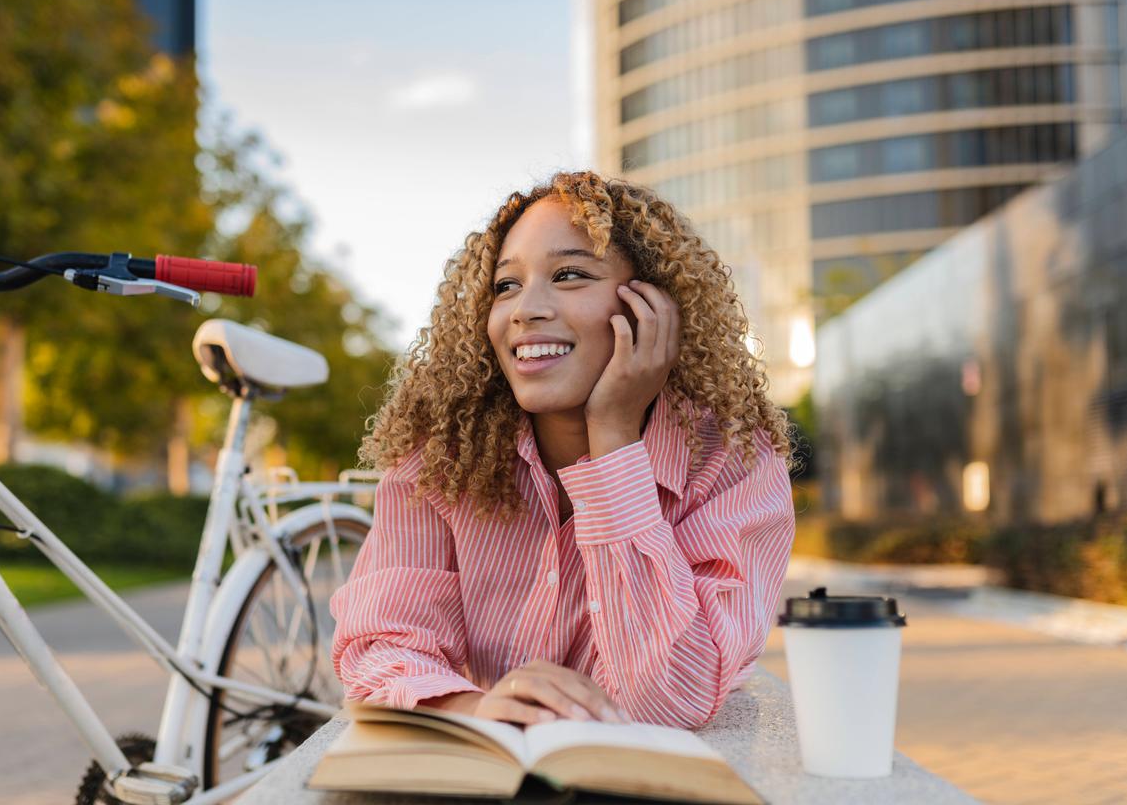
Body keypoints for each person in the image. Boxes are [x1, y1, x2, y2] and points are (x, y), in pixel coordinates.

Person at [329, 171, 796, 729]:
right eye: (506, 286)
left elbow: (672, 699)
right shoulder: (441, 459)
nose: (526, 309)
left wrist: (614, 437)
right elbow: (378, 646)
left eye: (570, 274)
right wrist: (476, 710)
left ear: (654, 306)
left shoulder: (735, 466)